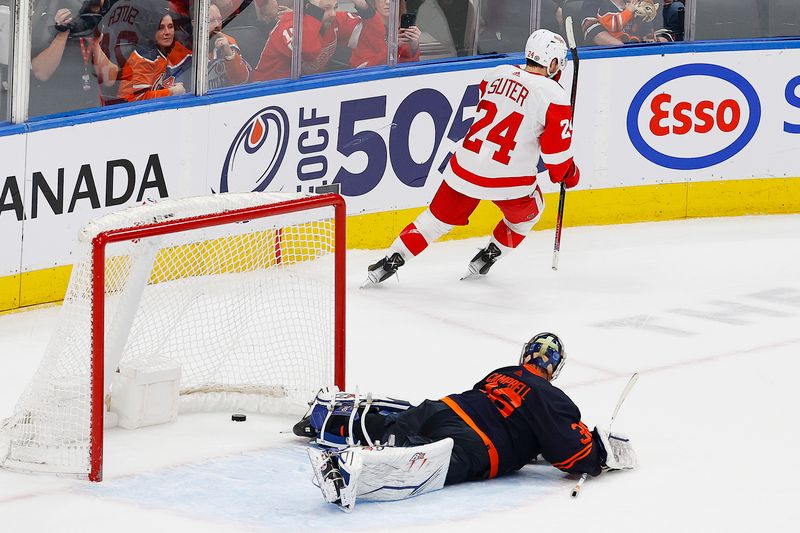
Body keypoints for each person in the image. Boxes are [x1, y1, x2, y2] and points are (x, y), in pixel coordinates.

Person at [295, 332, 637, 511]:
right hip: (474, 443)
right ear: (554, 369)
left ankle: (333, 421)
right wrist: (601, 453)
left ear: (525, 355)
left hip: (445, 408)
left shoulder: (502, 373)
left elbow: (512, 413)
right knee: (415, 459)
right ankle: (348, 471)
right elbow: (570, 454)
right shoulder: (553, 398)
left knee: (394, 425)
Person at [365, 29, 580, 285]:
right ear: (554, 63)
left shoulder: (497, 73)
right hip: (510, 181)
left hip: (464, 167)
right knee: (531, 213)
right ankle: (489, 256)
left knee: (433, 221)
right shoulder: (554, 95)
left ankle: (389, 261)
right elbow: (556, 157)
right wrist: (570, 174)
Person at [29, 0, 107, 117]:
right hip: (55, 113)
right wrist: (63, 31)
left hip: (91, 111)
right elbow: (41, 73)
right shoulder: (46, 24)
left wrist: (95, 44)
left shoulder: (96, 25)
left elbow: (109, 78)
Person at [251, 0, 364, 82]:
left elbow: (371, 37)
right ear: (310, 9)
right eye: (325, 8)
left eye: (335, 7)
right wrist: (311, 14)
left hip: (307, 87)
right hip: (267, 90)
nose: (332, 14)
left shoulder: (333, 19)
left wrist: (366, 10)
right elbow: (308, 51)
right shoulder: (290, 25)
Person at [117, 11, 192, 102]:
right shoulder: (144, 57)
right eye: (161, 28)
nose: (167, 32)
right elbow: (140, 98)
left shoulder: (164, 49)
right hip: (128, 111)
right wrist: (171, 91)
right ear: (152, 30)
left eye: (170, 26)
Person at [348, 0, 420, 68]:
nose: (388, 2)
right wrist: (393, 47)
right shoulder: (363, 29)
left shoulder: (405, 29)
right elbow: (363, 70)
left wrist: (413, 48)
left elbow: (411, 70)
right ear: (374, 2)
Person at [580, 0, 669, 45]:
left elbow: (660, 31)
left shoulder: (648, 3)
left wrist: (660, 41)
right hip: (607, 60)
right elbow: (591, 29)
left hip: (648, 57)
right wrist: (624, 50)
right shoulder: (594, 3)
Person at [207, 2, 251, 89]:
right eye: (211, 21)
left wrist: (229, 55)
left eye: (219, 19)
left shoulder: (229, 41)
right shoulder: (187, 48)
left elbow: (242, 81)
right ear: (195, 23)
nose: (217, 25)